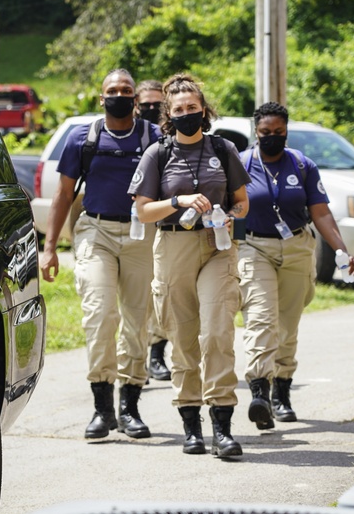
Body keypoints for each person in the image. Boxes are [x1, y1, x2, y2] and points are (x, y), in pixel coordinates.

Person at [129, 74, 251, 457]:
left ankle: (223, 428)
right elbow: (143, 211)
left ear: (204, 110)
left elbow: (242, 201)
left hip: (217, 246)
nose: (186, 114)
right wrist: (180, 201)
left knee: (217, 333)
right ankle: (191, 426)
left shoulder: (224, 149)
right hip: (174, 245)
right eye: (178, 109)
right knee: (182, 339)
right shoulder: (157, 154)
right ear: (169, 113)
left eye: (192, 108)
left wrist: (231, 214)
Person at [40, 68, 164, 440]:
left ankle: (130, 406)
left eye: (126, 90)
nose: (120, 95)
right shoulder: (84, 139)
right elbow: (63, 195)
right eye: (113, 90)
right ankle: (101, 407)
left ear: (136, 99)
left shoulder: (154, 138)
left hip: (143, 234)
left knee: (137, 321)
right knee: (99, 313)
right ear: (101, 97)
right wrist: (49, 248)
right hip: (96, 231)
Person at [238, 101, 354, 430]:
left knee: (287, 326)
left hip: (295, 246)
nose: (272, 137)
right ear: (256, 132)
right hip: (253, 247)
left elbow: (320, 212)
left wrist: (341, 251)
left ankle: (282, 391)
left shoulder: (302, 165)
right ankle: (259, 392)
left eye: (279, 132)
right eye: (265, 132)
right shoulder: (241, 164)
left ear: (286, 131)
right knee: (261, 320)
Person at [135, 79, 173, 382]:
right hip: (128, 224)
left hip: (161, 224)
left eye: (156, 105)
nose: (150, 110)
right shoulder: (126, 133)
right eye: (145, 104)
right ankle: (135, 358)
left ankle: (157, 351)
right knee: (135, 297)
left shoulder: (171, 139)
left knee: (161, 289)